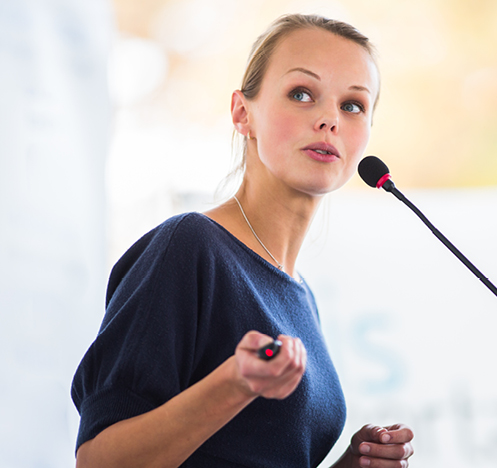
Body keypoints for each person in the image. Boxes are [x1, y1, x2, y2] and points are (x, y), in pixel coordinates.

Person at [71, 13, 415, 468]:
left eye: (353, 105)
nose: (330, 119)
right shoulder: (189, 248)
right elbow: (100, 462)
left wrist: (353, 464)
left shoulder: (302, 296)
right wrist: (234, 385)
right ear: (242, 113)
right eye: (301, 94)